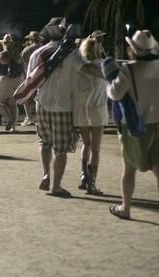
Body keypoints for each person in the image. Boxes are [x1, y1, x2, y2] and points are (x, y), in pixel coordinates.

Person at [106, 30, 159, 226]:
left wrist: (108, 84)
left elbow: (115, 94)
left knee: (129, 168)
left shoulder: (130, 69)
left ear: (133, 50)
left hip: (137, 126)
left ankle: (125, 208)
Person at [28, 18, 84, 197]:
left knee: (45, 142)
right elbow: (80, 81)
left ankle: (46, 175)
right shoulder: (74, 54)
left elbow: (31, 79)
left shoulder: (37, 53)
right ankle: (56, 186)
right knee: (61, 149)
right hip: (63, 106)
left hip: (42, 103)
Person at [73, 35, 109, 195]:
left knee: (86, 145)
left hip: (81, 109)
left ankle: (83, 175)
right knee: (96, 149)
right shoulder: (105, 66)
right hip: (98, 109)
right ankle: (91, 182)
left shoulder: (80, 67)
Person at [0, 34, 24, 132]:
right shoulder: (18, 54)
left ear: (3, 44)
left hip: (3, 80)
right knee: (13, 104)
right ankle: (13, 127)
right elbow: (23, 68)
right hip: (17, 80)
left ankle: (9, 119)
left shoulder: (0, 55)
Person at [20, 31, 44, 126]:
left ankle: (28, 116)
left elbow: (20, 62)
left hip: (28, 74)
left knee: (26, 96)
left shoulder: (27, 50)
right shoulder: (43, 48)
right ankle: (40, 117)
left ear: (31, 40)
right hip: (42, 74)